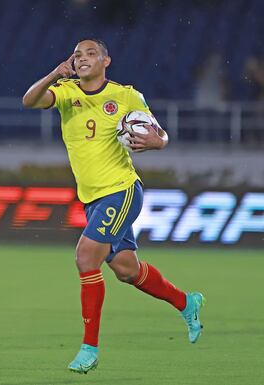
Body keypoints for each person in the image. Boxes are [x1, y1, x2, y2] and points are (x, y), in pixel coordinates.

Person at [23, 38, 205, 374]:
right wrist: (54, 74)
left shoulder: (126, 96)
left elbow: (159, 133)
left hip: (121, 192)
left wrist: (157, 142)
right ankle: (186, 302)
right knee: (126, 270)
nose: (83, 59)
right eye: (77, 55)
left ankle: (89, 348)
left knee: (85, 256)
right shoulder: (66, 92)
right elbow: (29, 100)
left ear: (106, 60)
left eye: (91, 53)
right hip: (92, 199)